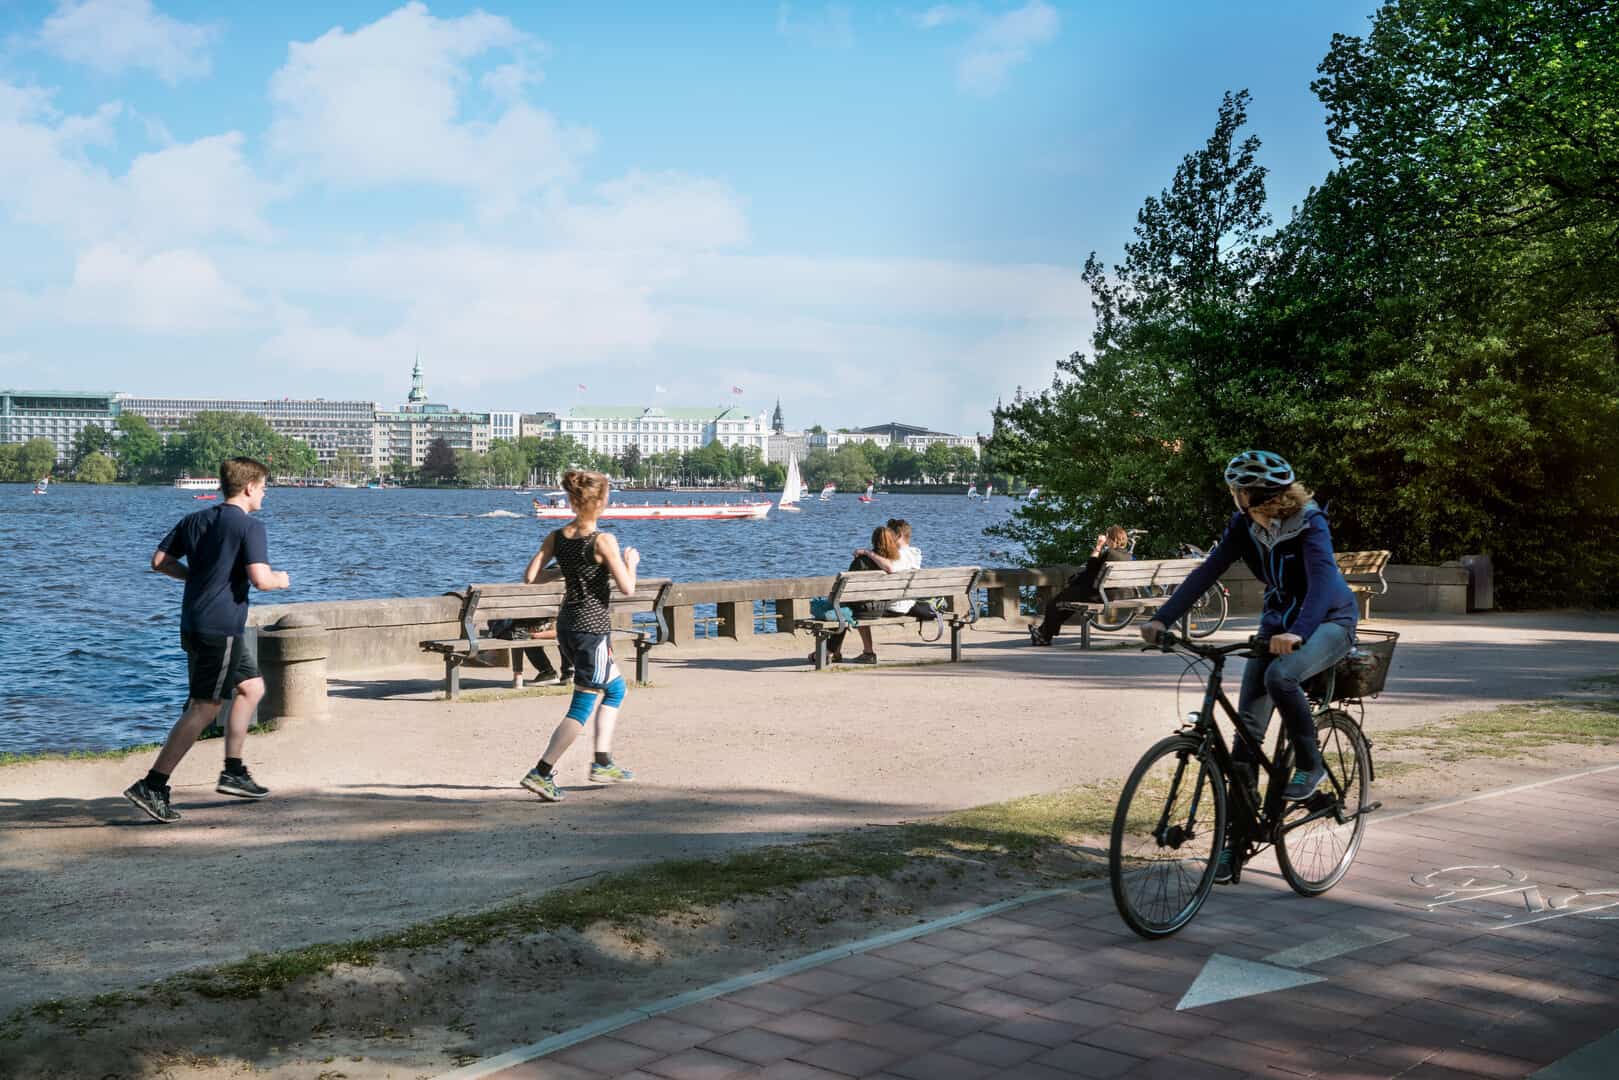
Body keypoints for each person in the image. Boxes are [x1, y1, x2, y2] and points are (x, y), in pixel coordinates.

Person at [1140, 450, 1359, 879]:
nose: (1233, 496)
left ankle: (1311, 764)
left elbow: (1319, 584)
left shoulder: (1311, 524)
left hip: (1329, 620)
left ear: (1252, 493)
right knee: (1246, 737)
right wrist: (1162, 617)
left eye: (1237, 489)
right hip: (1277, 624)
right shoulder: (1245, 525)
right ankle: (1234, 842)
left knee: (1282, 675)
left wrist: (1297, 632)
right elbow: (1208, 571)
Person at [123, 457, 292, 824]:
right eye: (263, 487)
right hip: (219, 629)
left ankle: (233, 771)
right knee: (205, 707)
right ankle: (153, 785)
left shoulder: (194, 520)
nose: (265, 494)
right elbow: (261, 579)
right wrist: (282, 579)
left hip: (199, 622)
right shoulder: (250, 526)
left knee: (251, 688)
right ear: (249, 487)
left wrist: (197, 578)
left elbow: (159, 561)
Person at [518, 469, 641, 802]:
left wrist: (566, 568)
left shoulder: (557, 537)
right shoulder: (603, 540)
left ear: (573, 501)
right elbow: (628, 589)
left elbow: (531, 576)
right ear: (601, 501)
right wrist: (631, 563)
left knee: (615, 688)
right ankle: (541, 772)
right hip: (592, 631)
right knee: (582, 704)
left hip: (566, 627)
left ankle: (603, 761)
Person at [811, 525, 902, 665]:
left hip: (863, 609)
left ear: (873, 541)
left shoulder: (861, 562)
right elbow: (889, 568)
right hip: (881, 608)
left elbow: (846, 591)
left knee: (841, 611)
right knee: (843, 611)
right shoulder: (895, 562)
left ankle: (828, 652)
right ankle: (851, 652)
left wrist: (865, 553)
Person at [1028, 525, 1133, 646]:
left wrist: (1098, 546)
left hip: (1101, 595)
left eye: (1107, 537)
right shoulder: (1127, 556)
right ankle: (1042, 633)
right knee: (1067, 604)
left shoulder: (1110, 553)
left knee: (1054, 603)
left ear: (1110, 539)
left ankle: (1045, 636)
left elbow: (1090, 568)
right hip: (1118, 594)